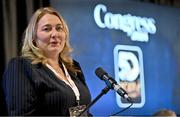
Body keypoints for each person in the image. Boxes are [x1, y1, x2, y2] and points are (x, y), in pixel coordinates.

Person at [2, 7, 92, 116]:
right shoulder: (21, 66)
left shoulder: (73, 67)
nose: (55, 34)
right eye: (47, 29)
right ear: (33, 37)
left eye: (59, 28)